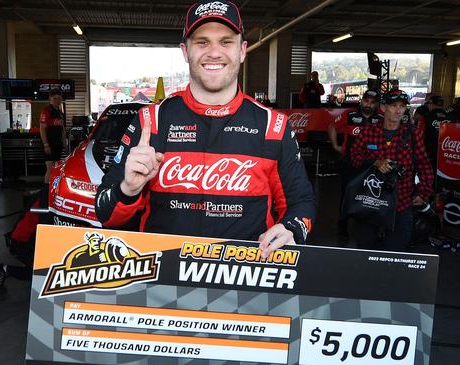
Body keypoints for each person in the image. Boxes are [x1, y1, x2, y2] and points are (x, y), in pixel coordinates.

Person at [95, 0, 315, 258]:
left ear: (243, 50)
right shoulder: (149, 122)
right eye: (202, 42)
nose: (214, 52)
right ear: (185, 51)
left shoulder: (274, 127)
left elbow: (301, 204)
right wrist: (128, 189)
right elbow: (106, 215)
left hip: (245, 284)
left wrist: (292, 228)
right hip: (161, 283)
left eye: (226, 41)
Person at [350, 90, 433, 252]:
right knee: (365, 251)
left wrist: (423, 193)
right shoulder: (368, 132)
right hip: (370, 203)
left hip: (401, 203)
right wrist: (375, 162)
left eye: (402, 106)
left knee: (396, 253)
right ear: (382, 107)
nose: (398, 110)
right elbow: (353, 159)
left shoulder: (413, 133)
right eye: (393, 105)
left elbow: (424, 165)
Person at [328, 89, 383, 236]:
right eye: (366, 101)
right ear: (361, 100)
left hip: (373, 162)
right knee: (348, 191)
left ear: (376, 104)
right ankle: (343, 223)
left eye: (372, 102)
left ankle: (369, 224)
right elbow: (332, 126)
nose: (368, 105)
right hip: (350, 160)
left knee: (372, 193)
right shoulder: (349, 114)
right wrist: (335, 145)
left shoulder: (381, 117)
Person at [414, 95, 447, 175]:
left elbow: (419, 135)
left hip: (429, 152)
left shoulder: (425, 117)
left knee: (428, 175)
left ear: (431, 104)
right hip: (446, 152)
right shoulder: (451, 117)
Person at [39, 89, 67, 184]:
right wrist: (46, 145)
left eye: (59, 98)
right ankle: (46, 192)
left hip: (58, 144)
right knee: (50, 168)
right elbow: (42, 128)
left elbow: (62, 129)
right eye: (55, 98)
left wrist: (65, 144)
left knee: (56, 169)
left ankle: (53, 191)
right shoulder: (46, 111)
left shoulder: (60, 113)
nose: (57, 100)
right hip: (49, 144)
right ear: (50, 99)